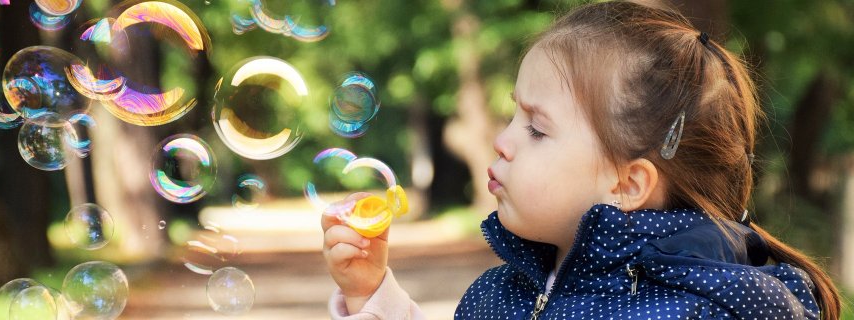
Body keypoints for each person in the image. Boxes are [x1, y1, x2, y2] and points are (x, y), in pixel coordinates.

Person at [320, 1, 841, 319]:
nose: (503, 141)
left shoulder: (718, 308)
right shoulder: (499, 294)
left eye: (537, 128)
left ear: (629, 183)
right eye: (512, 116)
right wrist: (373, 297)